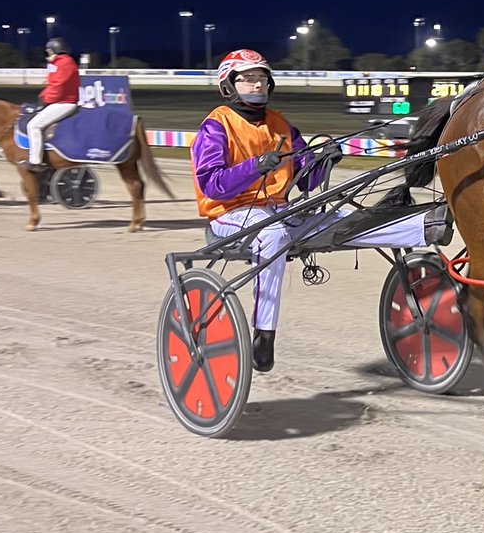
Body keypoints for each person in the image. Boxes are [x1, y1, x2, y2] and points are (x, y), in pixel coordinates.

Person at [191, 49, 448, 373]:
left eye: (261, 78)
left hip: (279, 211)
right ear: (229, 85)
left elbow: (306, 180)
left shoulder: (281, 124)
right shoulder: (216, 125)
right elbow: (211, 184)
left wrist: (324, 160)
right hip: (230, 213)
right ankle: (264, 333)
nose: (257, 84)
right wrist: (253, 167)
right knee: (273, 233)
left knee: (344, 218)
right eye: (248, 78)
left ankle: (423, 225)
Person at [24, 38, 80, 171]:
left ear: (54, 50)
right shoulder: (59, 63)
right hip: (60, 101)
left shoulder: (64, 63)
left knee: (33, 126)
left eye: (49, 51)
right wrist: (42, 97)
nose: (48, 54)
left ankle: (35, 161)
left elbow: (57, 86)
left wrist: (45, 100)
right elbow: (52, 85)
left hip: (64, 103)